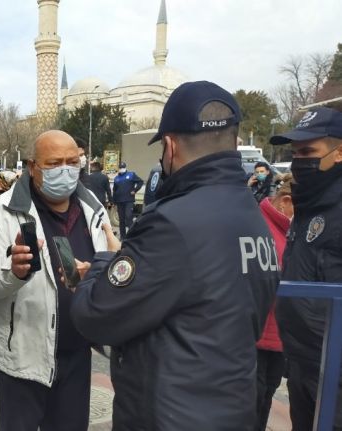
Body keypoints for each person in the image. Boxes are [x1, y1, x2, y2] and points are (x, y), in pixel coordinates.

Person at [71, 81, 279, 430]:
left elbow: (96, 314)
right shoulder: (253, 214)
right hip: (231, 406)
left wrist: (103, 264)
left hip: (170, 413)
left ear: (169, 146)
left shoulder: (171, 221)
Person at [0, 130, 109, 431]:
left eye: (73, 162)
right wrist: (12, 270)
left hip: (77, 355)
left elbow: (110, 262)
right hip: (23, 360)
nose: (66, 170)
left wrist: (104, 271)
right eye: (54, 163)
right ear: (33, 167)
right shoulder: (3, 211)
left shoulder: (93, 208)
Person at [269, 106, 342, 430]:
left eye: (309, 151)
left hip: (334, 372)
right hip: (303, 362)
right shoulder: (307, 202)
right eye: (296, 152)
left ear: (339, 153)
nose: (300, 160)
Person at [255, 173, 293, 431]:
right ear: (285, 202)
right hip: (256, 335)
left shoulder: (290, 230)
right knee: (251, 401)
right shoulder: (260, 225)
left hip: (278, 337)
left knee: (265, 397)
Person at [112, 161, 143, 238]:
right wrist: (113, 201)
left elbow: (140, 182)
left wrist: (135, 190)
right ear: (118, 169)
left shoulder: (131, 174)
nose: (121, 169)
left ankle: (132, 234)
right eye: (120, 168)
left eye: (123, 168)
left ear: (125, 168)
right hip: (119, 201)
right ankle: (123, 236)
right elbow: (114, 190)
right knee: (121, 220)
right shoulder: (116, 178)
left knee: (128, 216)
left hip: (129, 200)